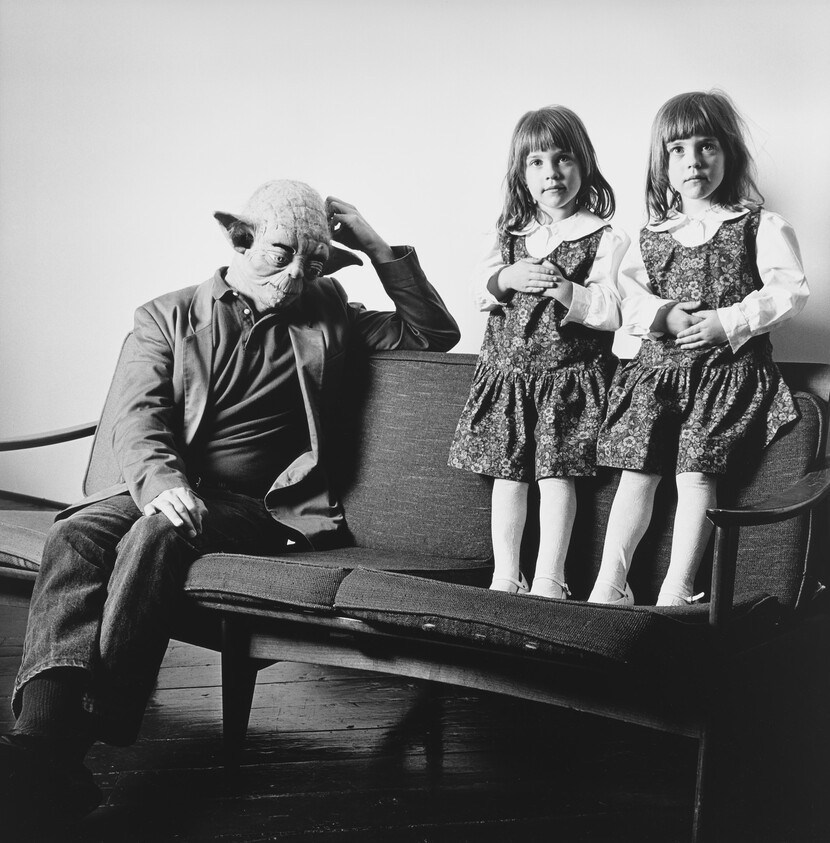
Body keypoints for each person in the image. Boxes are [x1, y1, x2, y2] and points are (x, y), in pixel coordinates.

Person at [0, 179, 460, 825]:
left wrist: (377, 247)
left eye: (315, 261)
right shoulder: (165, 314)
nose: (297, 274)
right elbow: (139, 418)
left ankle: (79, 732)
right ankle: (45, 743)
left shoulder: (329, 313)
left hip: (260, 506)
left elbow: (433, 331)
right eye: (281, 252)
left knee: (155, 539)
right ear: (240, 239)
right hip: (165, 484)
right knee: (74, 534)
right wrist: (163, 487)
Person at [590, 91, 809, 606]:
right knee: (636, 473)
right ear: (662, 164)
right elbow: (628, 298)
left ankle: (677, 588)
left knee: (696, 473)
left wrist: (729, 321)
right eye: (679, 150)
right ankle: (609, 585)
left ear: (728, 154)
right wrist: (663, 314)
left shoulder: (758, 224)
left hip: (725, 375)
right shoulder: (652, 236)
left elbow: (788, 290)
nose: (694, 160)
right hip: (658, 374)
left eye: (707, 146)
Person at [448, 106, 628, 599]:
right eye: (537, 162)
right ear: (522, 176)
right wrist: (506, 278)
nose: (551, 172)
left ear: (583, 166)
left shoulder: (605, 238)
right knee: (508, 478)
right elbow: (480, 292)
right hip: (508, 378)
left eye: (563, 158)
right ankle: (507, 573)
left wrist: (568, 291)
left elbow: (614, 311)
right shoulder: (508, 235)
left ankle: (552, 576)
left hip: (568, 380)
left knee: (556, 477)